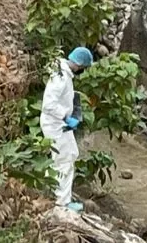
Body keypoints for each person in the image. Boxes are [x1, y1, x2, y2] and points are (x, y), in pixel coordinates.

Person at [40, 47, 94, 213]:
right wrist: (65, 116)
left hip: (60, 125)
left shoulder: (65, 74)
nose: (83, 71)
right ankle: (61, 202)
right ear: (79, 64)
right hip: (55, 124)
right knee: (62, 161)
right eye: (83, 67)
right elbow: (49, 105)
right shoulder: (61, 77)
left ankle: (57, 194)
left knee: (70, 155)